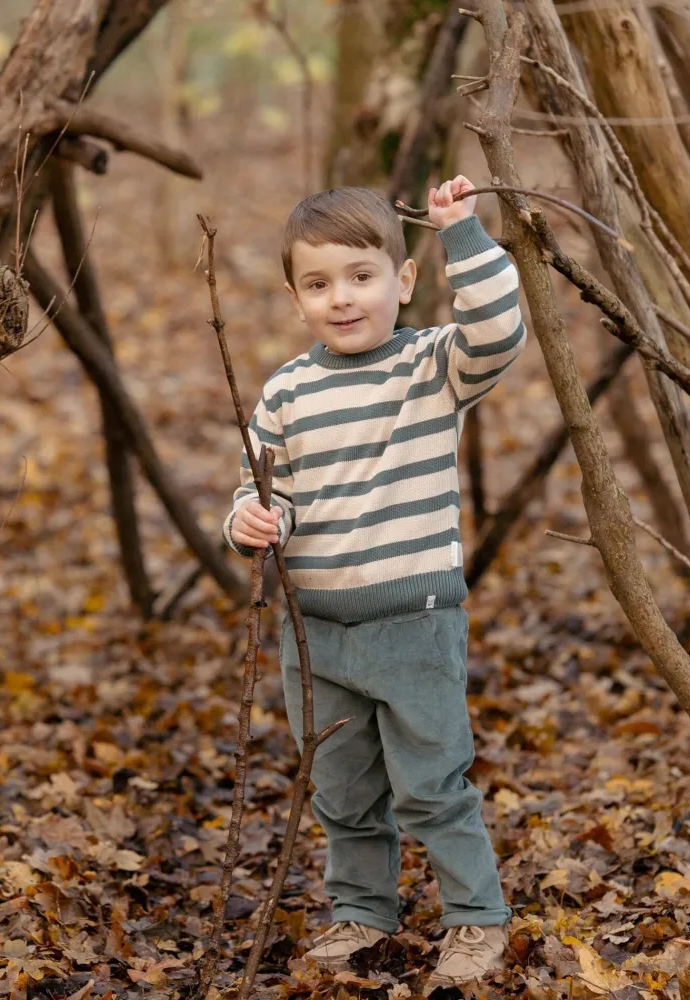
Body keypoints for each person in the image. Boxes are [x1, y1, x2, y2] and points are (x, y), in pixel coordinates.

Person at [223, 176, 525, 990]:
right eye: (318, 285)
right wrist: (251, 519)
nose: (343, 299)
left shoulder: (431, 367)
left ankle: (475, 918)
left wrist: (463, 234)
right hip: (315, 630)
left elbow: (498, 332)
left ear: (404, 280)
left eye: (362, 276)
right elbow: (262, 488)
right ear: (295, 298)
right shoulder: (288, 390)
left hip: (414, 622)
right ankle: (362, 910)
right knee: (342, 789)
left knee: (432, 783)